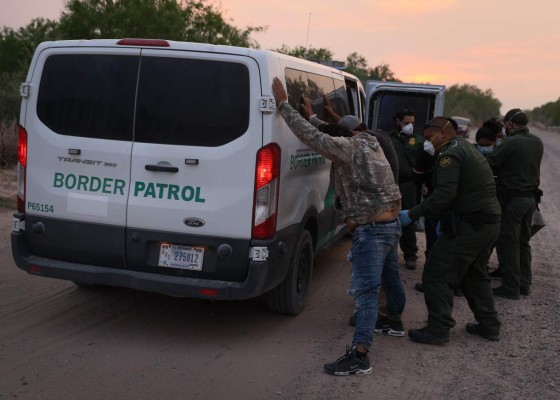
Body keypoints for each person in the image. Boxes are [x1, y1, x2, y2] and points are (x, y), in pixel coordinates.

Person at [271, 77, 404, 375]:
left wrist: (284, 105)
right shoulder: (371, 140)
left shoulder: (347, 148)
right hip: (392, 223)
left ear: (344, 137)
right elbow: (331, 132)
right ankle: (394, 322)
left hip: (371, 229)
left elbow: (316, 138)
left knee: (366, 293)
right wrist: (317, 117)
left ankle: (360, 356)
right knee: (391, 278)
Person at [400, 117, 502, 344]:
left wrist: (412, 214)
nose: (427, 142)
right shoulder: (463, 147)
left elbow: (444, 194)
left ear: (444, 133)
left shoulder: (449, 155)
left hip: (471, 225)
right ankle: (489, 325)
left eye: (429, 137)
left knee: (436, 272)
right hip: (486, 223)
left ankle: (438, 329)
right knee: (474, 275)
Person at [486, 109, 544, 299]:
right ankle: (524, 284)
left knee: (508, 243)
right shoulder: (537, 141)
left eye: (505, 124)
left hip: (513, 200)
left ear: (510, 124)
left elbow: (490, 162)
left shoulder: (510, 142)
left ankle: (510, 287)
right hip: (530, 200)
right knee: (523, 243)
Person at [387, 109, 424, 270]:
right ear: (398, 122)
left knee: (408, 219)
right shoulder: (387, 139)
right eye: (406, 122)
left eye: (412, 123)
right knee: (387, 218)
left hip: (409, 185)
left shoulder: (419, 141)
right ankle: (387, 254)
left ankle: (410, 256)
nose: (410, 126)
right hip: (390, 184)